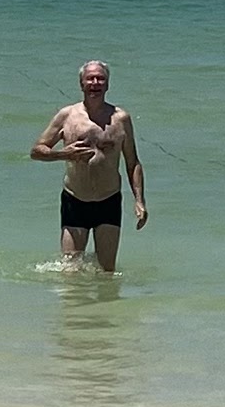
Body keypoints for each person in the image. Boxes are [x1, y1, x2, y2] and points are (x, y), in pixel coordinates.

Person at [29, 60, 146, 270]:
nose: (95, 83)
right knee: (70, 270)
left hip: (108, 200)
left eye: (100, 78)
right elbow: (37, 151)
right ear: (81, 84)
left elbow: (133, 162)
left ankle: (106, 304)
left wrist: (139, 201)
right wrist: (64, 154)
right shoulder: (66, 116)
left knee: (107, 271)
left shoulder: (121, 119)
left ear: (107, 84)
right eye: (90, 79)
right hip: (75, 199)